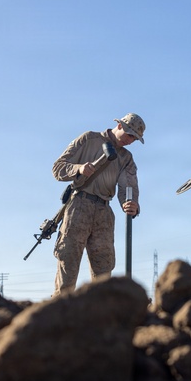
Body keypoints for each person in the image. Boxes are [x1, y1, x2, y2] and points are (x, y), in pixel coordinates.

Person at [51, 113, 144, 295]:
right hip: (79, 206)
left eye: (135, 138)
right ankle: (61, 314)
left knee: (104, 270)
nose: (131, 140)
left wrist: (131, 203)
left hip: (103, 212)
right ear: (119, 126)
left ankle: (101, 318)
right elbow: (58, 168)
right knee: (68, 264)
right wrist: (78, 168)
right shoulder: (89, 139)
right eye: (130, 135)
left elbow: (129, 186)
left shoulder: (126, 158)